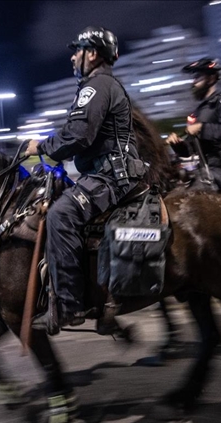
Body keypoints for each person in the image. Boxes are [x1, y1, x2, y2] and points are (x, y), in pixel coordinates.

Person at [23, 26, 146, 332]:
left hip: (111, 177)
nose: (73, 57)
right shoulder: (102, 86)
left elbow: (79, 134)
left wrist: (41, 147)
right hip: (106, 172)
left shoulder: (97, 86)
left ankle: (68, 305)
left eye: (77, 51)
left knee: (60, 215)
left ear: (91, 54)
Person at [166, 58, 221, 191]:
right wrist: (177, 145)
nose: (194, 82)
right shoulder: (197, 112)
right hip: (202, 170)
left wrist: (202, 127)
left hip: (220, 170)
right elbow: (190, 151)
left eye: (198, 77)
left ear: (211, 79)